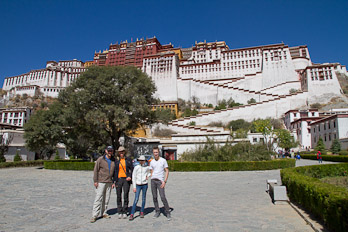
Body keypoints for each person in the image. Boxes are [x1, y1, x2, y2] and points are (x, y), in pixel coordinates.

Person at [90, 146, 115, 223]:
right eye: (109, 151)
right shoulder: (100, 159)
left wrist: (113, 182)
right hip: (101, 181)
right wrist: (95, 181)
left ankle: (104, 213)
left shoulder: (113, 160)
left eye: (111, 151)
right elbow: (96, 170)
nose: (110, 152)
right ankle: (94, 215)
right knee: (98, 198)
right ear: (106, 151)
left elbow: (114, 172)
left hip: (109, 182)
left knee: (106, 199)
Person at [150, 147, 171, 220]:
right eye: (154, 152)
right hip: (153, 181)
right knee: (154, 197)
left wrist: (165, 181)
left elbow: (167, 171)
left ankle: (167, 211)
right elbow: (151, 170)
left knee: (162, 197)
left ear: (159, 152)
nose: (155, 154)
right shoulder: (152, 161)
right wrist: (151, 176)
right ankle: (157, 211)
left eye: (156, 152)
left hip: (160, 181)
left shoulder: (163, 160)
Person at [129, 155, 151, 221]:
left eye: (142, 160)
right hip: (138, 185)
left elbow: (150, 172)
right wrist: (134, 187)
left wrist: (148, 176)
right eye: (140, 160)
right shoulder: (136, 167)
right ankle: (132, 213)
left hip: (144, 184)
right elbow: (134, 177)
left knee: (143, 198)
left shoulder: (146, 167)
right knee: (136, 199)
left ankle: (142, 211)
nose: (141, 162)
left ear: (144, 161)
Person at [114, 146, 133, 219]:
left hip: (126, 179)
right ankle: (119, 210)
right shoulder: (116, 160)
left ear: (124, 152)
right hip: (118, 179)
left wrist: (130, 176)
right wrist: (114, 181)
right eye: (120, 152)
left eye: (122, 151)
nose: (121, 153)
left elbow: (132, 169)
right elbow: (114, 171)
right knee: (118, 195)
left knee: (125, 195)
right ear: (118, 153)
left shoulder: (128, 159)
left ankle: (125, 211)